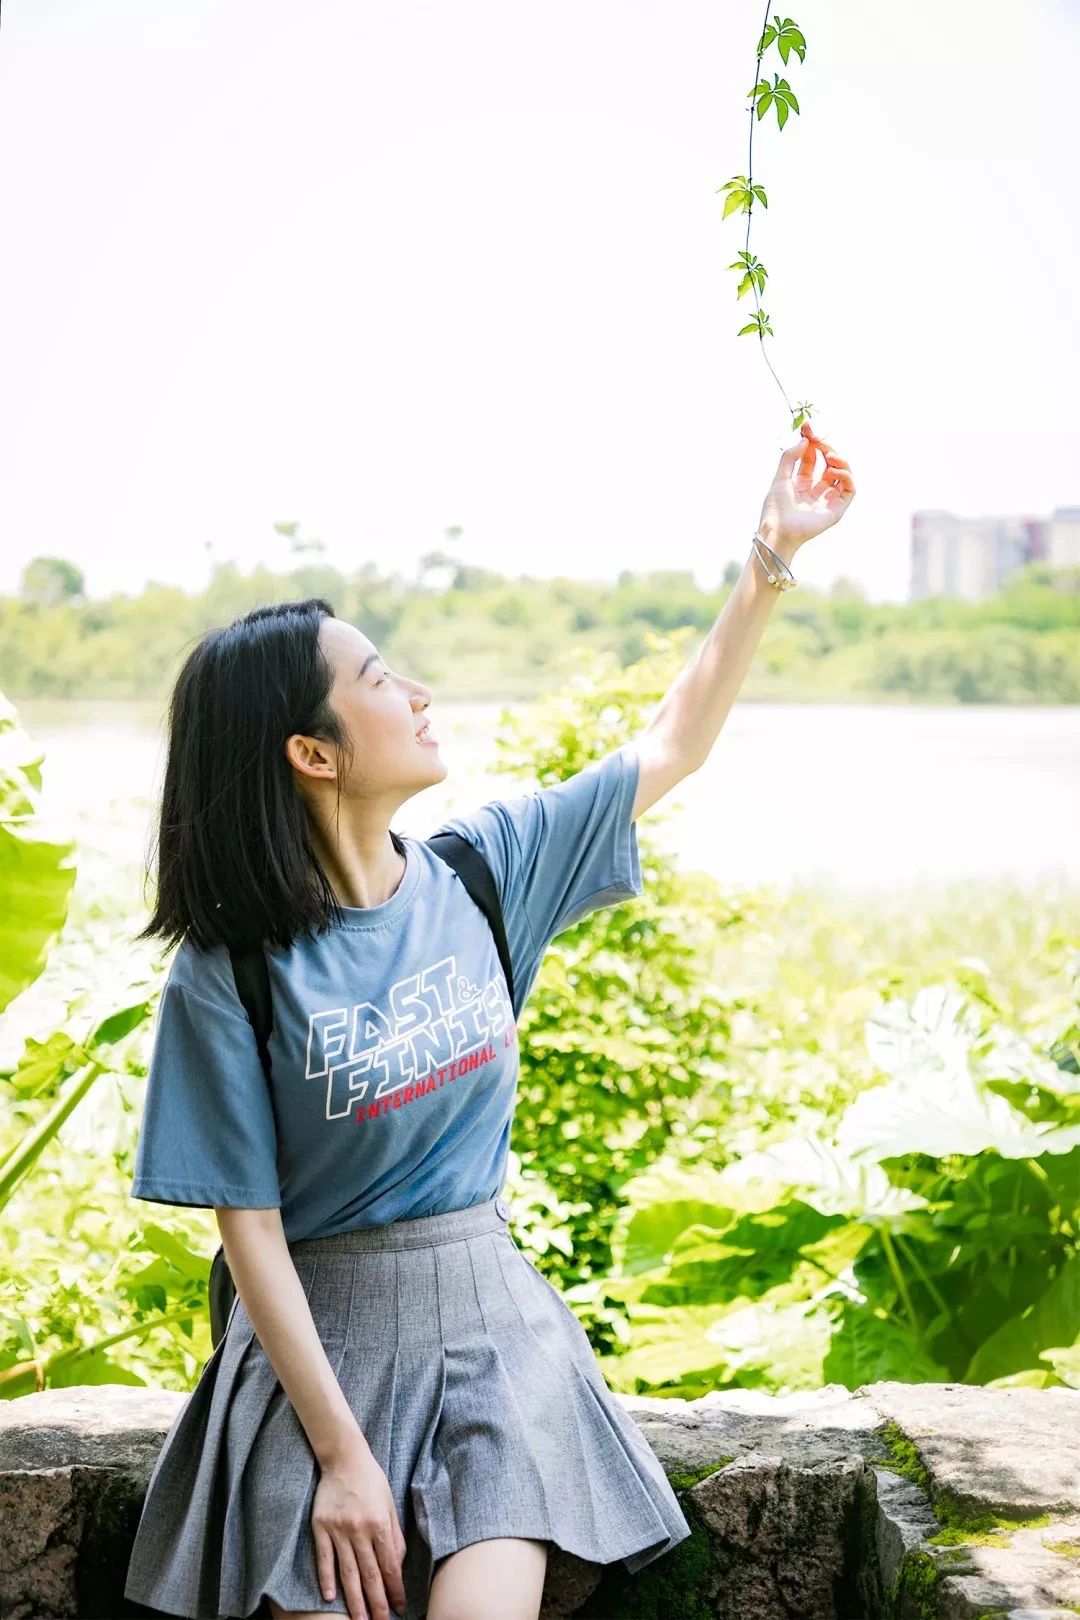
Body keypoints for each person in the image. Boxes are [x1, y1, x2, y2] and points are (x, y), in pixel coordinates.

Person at [121, 425, 855, 1620]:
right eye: (376, 682)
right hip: (317, 1358)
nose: (416, 693)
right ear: (313, 752)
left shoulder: (485, 873)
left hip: (493, 1340)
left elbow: (673, 744)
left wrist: (770, 555)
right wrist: (343, 1459)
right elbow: (247, 1233)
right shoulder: (231, 974)